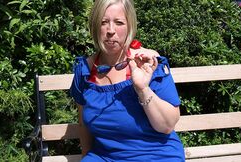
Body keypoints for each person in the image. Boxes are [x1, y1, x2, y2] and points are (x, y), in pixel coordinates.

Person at [70, 0, 185, 161]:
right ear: (95, 26)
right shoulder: (85, 71)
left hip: (156, 155)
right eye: (104, 22)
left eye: (119, 22)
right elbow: (83, 123)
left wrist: (143, 89)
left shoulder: (148, 62)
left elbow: (167, 125)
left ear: (130, 26)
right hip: (105, 156)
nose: (111, 30)